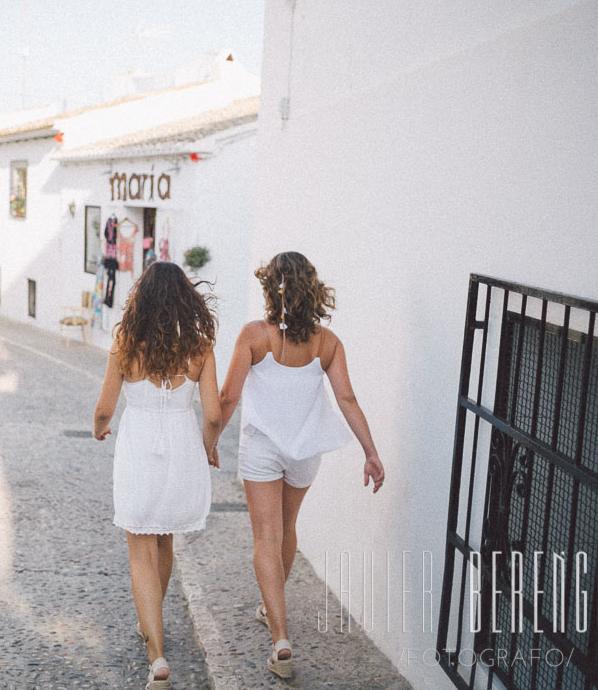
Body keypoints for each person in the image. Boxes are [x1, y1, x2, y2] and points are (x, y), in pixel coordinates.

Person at [214, 251, 385, 679]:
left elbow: (228, 397)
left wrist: (209, 439)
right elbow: (347, 399)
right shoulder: (327, 342)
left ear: (271, 289)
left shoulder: (255, 335)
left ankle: (281, 638)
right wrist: (371, 451)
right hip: (306, 452)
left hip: (264, 450)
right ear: (312, 287)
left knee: (265, 539)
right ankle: (272, 610)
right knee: (287, 530)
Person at [93, 261, 221, 690]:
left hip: (140, 449)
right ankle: (153, 623)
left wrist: (99, 429)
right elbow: (215, 414)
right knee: (164, 538)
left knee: (139, 551)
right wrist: (209, 446)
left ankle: (157, 655)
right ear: (187, 299)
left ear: (141, 298)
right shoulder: (201, 347)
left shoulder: (126, 344)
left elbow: (104, 409)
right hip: (183, 447)